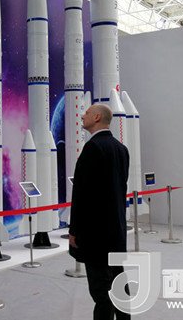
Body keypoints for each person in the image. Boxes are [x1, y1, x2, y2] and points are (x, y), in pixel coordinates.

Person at [69, 104, 130, 320]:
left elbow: (82, 194)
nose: (82, 116)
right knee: (119, 285)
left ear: (96, 117)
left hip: (96, 235)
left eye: (86, 113)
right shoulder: (121, 149)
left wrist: (74, 230)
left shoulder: (92, 148)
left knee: (101, 291)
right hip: (116, 231)